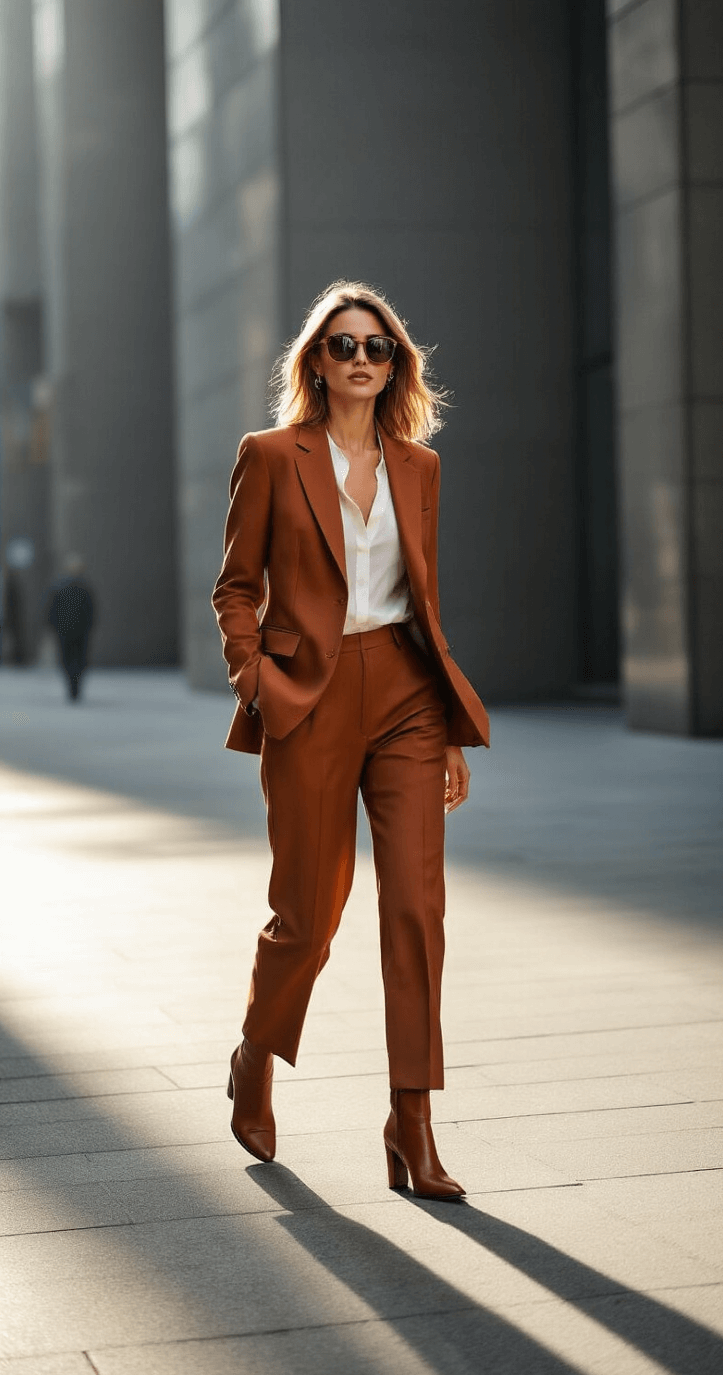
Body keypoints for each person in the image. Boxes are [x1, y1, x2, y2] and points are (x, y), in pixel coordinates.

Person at [212, 281, 489, 1200]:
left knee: (416, 908)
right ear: (317, 363)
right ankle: (255, 1053)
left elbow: (424, 603)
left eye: (378, 346)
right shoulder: (269, 455)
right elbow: (235, 587)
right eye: (344, 345)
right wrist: (257, 680)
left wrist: (447, 727)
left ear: (395, 363)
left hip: (406, 695)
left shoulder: (420, 466)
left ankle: (412, 1119)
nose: (362, 358)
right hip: (309, 698)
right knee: (309, 913)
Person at [47, 555, 95, 701]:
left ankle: (73, 686)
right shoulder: (83, 589)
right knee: (77, 660)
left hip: (68, 631)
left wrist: (53, 627)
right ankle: (74, 686)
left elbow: (52, 611)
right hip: (75, 631)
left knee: (69, 660)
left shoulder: (62, 588)